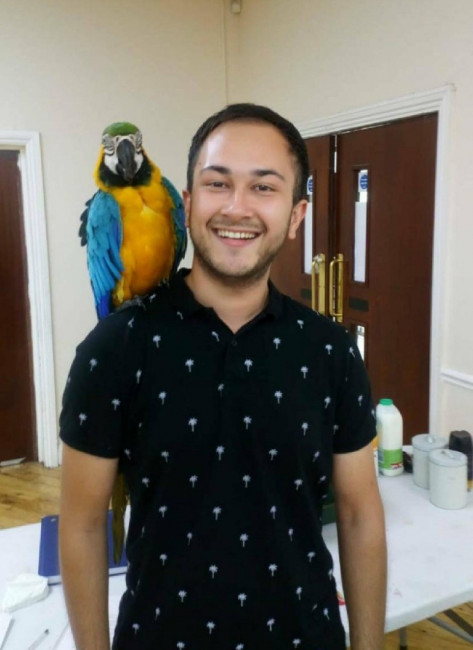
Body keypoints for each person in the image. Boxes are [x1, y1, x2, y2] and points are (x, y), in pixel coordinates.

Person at [59, 103, 387, 650]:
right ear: (187, 204)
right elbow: (83, 524)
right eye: (218, 183)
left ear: (297, 215)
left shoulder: (332, 352)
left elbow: (359, 515)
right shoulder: (112, 350)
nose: (237, 207)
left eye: (264, 187)